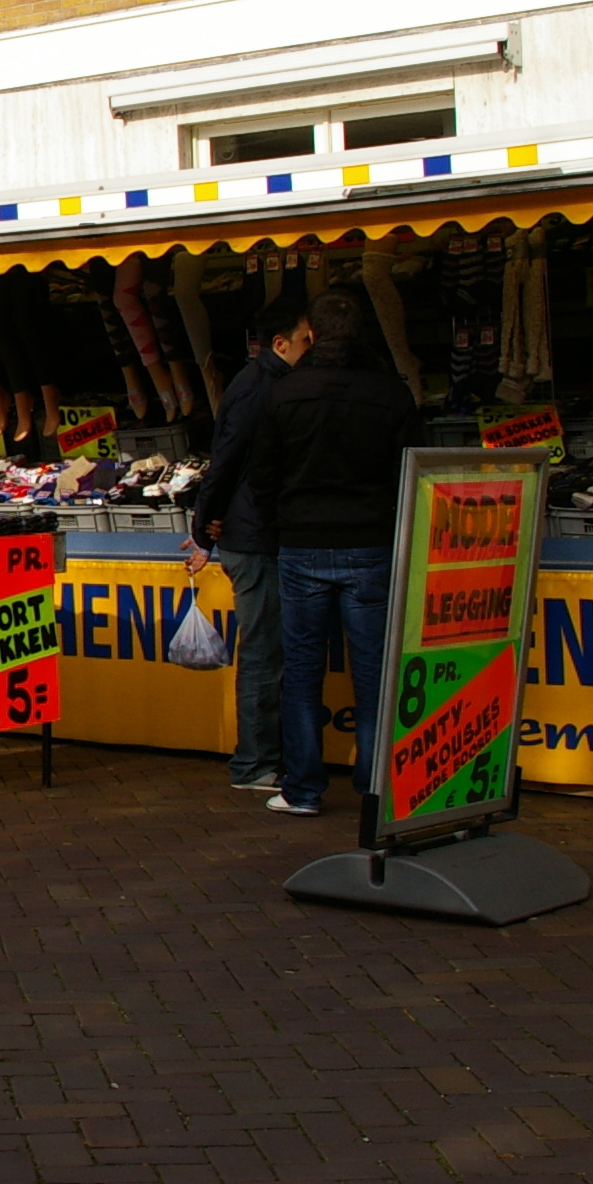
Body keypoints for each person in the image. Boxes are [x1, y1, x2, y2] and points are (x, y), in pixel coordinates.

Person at [250, 288, 417, 816]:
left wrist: (281, 523)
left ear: (314, 335)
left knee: (301, 672)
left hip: (302, 544)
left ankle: (302, 789)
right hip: (369, 543)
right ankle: (375, 790)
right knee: (373, 672)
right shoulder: (391, 394)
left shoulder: (283, 393)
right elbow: (410, 470)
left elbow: (262, 476)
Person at [181, 300, 312, 795]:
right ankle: (254, 761)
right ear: (281, 343)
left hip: (251, 530)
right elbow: (227, 458)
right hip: (252, 536)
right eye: (304, 340)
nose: (310, 348)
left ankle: (263, 757)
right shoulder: (259, 388)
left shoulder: (264, 384)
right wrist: (203, 527)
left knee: (270, 649)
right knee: (263, 651)